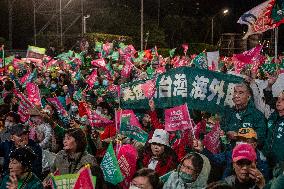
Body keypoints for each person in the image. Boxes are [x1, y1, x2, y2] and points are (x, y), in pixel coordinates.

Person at [193, 127, 269, 180]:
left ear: (254, 144)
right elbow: (215, 159)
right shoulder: (231, 153)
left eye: (245, 140)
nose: (241, 143)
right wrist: (202, 149)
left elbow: (262, 182)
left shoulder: (261, 161)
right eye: (239, 140)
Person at [221, 83, 267, 147]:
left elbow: (261, 138)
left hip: (247, 154)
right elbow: (222, 128)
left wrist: (238, 136)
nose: (236, 95)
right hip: (227, 153)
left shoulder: (257, 115)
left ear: (248, 97)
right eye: (235, 92)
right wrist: (225, 133)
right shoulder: (228, 112)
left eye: (241, 93)